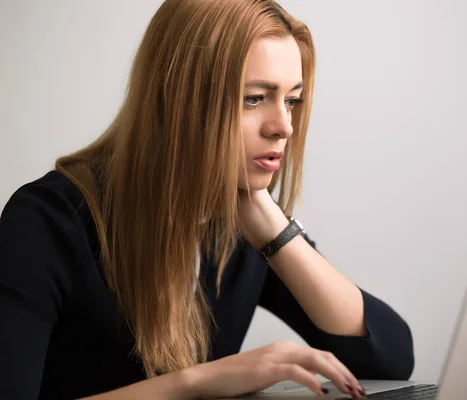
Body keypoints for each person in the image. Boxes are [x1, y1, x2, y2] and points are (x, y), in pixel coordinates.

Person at [0, 0, 414, 399]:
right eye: (254, 98)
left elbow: (388, 359)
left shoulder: (244, 222)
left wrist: (276, 232)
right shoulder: (49, 220)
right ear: (179, 100)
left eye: (291, 100)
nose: (283, 126)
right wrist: (197, 383)